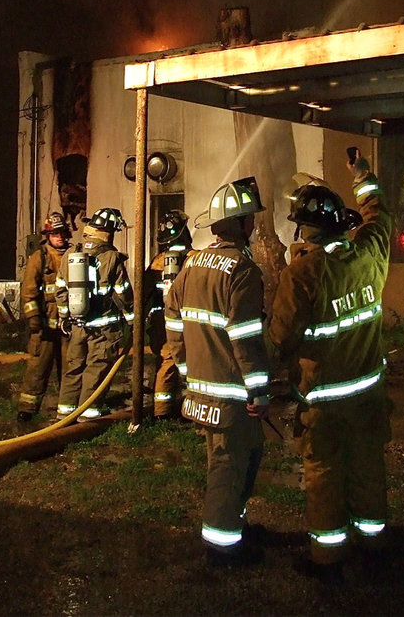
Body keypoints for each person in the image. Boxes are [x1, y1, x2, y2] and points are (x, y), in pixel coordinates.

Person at [268, 148, 393, 578]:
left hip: (323, 401)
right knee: (367, 465)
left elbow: (279, 338)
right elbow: (378, 216)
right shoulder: (370, 254)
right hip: (368, 391)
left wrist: (262, 382)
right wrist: (363, 177)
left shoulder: (303, 274)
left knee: (323, 472)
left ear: (306, 230)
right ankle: (375, 542)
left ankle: (328, 557)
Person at [165, 177, 271, 568]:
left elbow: (172, 318)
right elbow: (246, 339)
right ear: (242, 224)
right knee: (229, 466)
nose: (255, 226)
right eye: (252, 219)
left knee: (234, 459)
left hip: (202, 389)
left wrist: (184, 368)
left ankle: (233, 527)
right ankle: (222, 547)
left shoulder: (191, 263)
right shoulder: (242, 271)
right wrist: (258, 391)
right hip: (230, 392)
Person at [56, 207, 133, 421]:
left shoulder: (71, 254)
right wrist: (133, 319)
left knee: (74, 367)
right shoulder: (111, 257)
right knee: (96, 368)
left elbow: (60, 289)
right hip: (103, 328)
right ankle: (88, 416)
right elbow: (123, 293)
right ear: (110, 231)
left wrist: (65, 317)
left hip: (77, 324)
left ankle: (64, 412)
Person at [17, 212, 72, 422]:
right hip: (45, 326)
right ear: (48, 235)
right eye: (54, 233)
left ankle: (67, 409)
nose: (59, 237)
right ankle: (27, 409)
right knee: (38, 367)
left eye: (61, 233)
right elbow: (29, 292)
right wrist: (34, 320)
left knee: (70, 368)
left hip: (69, 324)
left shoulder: (73, 255)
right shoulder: (39, 258)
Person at [146, 210, 193, 419]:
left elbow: (145, 292)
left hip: (159, 321)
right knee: (180, 362)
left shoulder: (157, 261)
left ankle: (164, 408)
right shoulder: (192, 258)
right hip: (182, 320)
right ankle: (165, 412)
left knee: (165, 362)